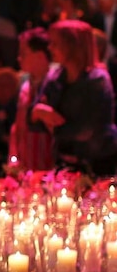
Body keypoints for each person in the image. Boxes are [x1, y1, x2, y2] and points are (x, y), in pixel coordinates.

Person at [30, 20, 117, 175]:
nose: (50, 48)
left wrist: (51, 121)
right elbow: (33, 121)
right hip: (64, 163)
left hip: (96, 165)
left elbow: (86, 130)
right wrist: (41, 113)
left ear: (73, 46)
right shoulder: (54, 77)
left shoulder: (97, 81)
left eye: (55, 43)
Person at [10, 28, 54, 171]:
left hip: (49, 170)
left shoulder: (55, 85)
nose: (19, 58)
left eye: (23, 54)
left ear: (40, 56)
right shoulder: (25, 84)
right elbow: (17, 126)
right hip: (26, 169)